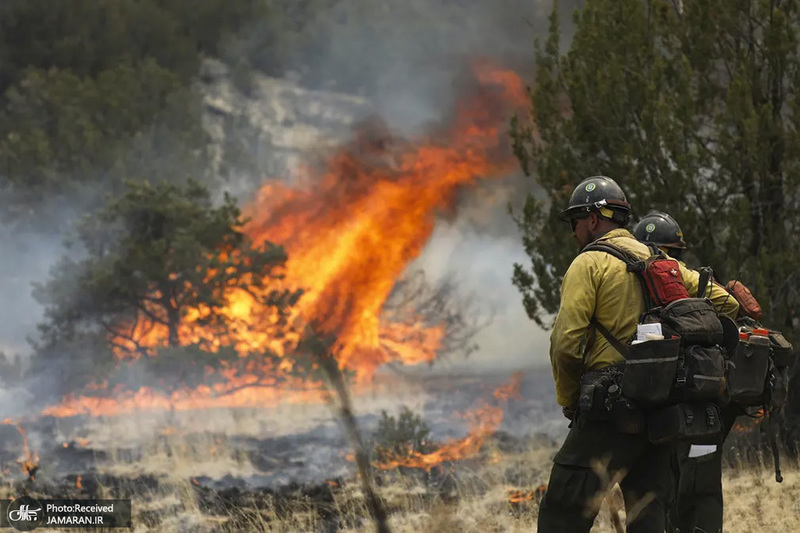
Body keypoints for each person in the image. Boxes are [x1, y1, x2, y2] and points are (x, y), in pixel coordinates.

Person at [537, 177, 738, 533]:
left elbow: (566, 344)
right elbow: (729, 303)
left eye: (575, 222)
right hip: (660, 413)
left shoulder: (589, 264)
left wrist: (569, 400)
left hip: (608, 411)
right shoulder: (660, 261)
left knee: (562, 512)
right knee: (649, 516)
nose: (573, 232)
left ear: (594, 219)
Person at [634, 212, 744, 533]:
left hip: (655, 404)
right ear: (677, 251)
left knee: (659, 489)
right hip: (701, 399)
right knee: (702, 486)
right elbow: (730, 306)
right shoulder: (688, 276)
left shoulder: (632, 280)